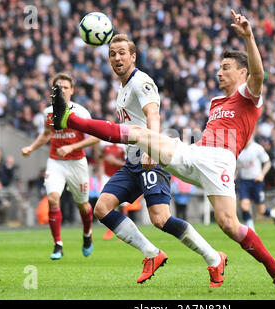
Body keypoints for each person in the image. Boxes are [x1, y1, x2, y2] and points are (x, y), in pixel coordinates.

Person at [51, 11, 275, 293]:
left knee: (229, 225)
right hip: (194, 153)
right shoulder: (215, 102)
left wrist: (249, 36)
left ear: (242, 73)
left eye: (226, 68)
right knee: (141, 141)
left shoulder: (248, 95)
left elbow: (259, 73)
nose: (219, 72)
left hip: (220, 162)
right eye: (219, 67)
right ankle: (68, 118)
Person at [54, 34, 226, 287]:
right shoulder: (122, 89)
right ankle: (152, 254)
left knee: (160, 219)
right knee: (101, 208)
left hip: (151, 158)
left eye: (122, 52)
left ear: (133, 56)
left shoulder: (141, 81)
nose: (117, 57)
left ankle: (214, 258)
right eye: (112, 53)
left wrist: (151, 148)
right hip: (132, 162)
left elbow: (153, 113)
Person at [21, 72, 100, 260]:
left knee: (83, 206)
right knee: (53, 199)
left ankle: (87, 234)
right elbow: (47, 134)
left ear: (72, 90)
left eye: (65, 87)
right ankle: (58, 245)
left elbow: (96, 136)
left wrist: (72, 146)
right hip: (55, 162)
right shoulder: (47, 112)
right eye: (58, 87)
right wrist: (31, 147)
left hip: (77, 163)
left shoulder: (80, 112)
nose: (62, 90)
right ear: (53, 91)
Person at [236, 137, 275, 231]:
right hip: (244, 181)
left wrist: (262, 174)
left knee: (261, 210)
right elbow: (238, 166)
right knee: (244, 206)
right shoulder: (238, 148)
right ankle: (252, 230)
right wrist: (234, 175)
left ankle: (274, 214)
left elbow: (268, 163)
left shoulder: (257, 148)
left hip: (257, 182)